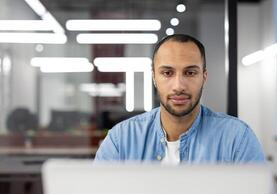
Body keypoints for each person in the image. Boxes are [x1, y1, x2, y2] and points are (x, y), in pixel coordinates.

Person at [94, 34, 265, 165]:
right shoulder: (121, 139)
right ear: (154, 77)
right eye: (167, 73)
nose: (178, 86)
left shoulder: (237, 138)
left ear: (204, 77)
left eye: (190, 73)